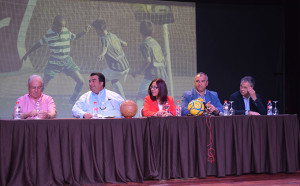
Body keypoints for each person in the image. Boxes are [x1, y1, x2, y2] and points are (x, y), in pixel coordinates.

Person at [21, 15, 91, 104]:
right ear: (54, 25)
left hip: (67, 61)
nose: (62, 28)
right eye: (60, 26)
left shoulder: (66, 31)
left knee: (81, 81)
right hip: (54, 62)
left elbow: (75, 37)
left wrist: (84, 32)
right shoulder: (49, 34)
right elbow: (38, 44)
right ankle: (33, 100)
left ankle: (72, 100)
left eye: (63, 26)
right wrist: (27, 53)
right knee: (44, 83)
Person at [133, 20, 168, 113]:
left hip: (152, 75)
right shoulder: (155, 42)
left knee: (140, 96)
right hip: (162, 74)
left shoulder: (144, 44)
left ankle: (136, 117)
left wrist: (139, 71)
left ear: (140, 31)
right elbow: (163, 59)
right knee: (158, 97)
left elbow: (148, 60)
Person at [92, 19, 130, 99]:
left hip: (117, 68)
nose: (96, 32)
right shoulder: (113, 35)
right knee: (114, 80)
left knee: (98, 81)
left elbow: (105, 48)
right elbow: (124, 44)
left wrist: (101, 54)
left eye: (96, 30)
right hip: (126, 66)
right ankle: (123, 100)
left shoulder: (103, 38)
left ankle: (97, 100)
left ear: (99, 30)